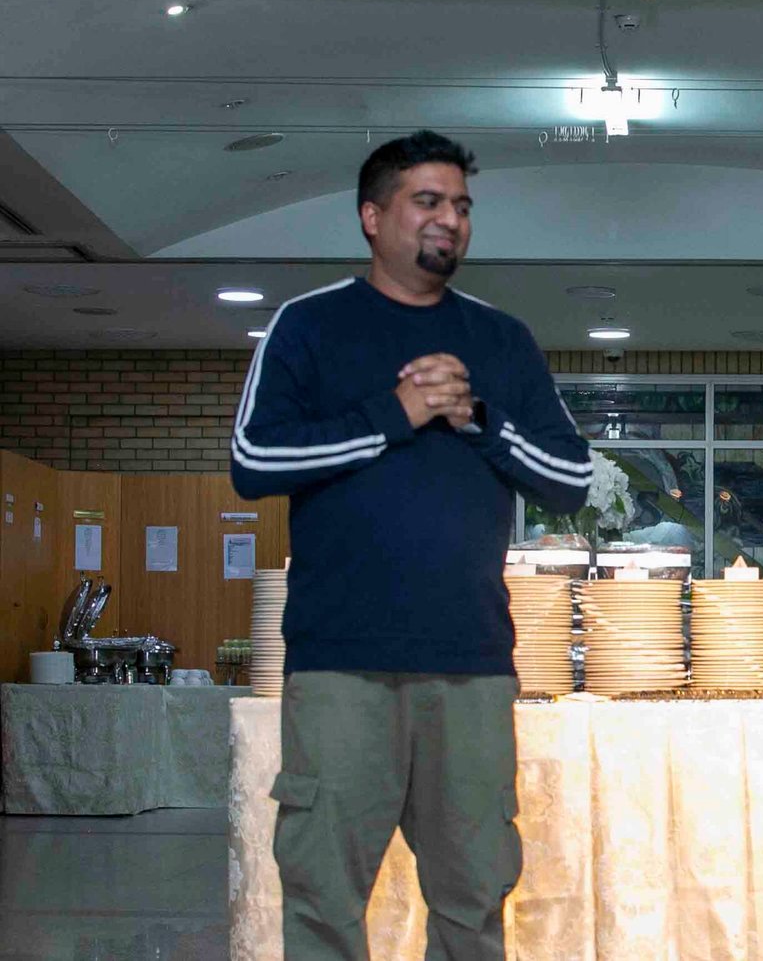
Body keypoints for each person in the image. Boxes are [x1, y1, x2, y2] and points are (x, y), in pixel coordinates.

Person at [230, 130, 592, 960]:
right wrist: (392, 415)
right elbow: (254, 461)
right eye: (427, 201)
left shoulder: (501, 340)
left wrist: (478, 418)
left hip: (470, 663)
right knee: (324, 902)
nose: (450, 219)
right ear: (372, 216)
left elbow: (571, 479)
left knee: (473, 902)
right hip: (339, 664)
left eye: (461, 205)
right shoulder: (309, 325)